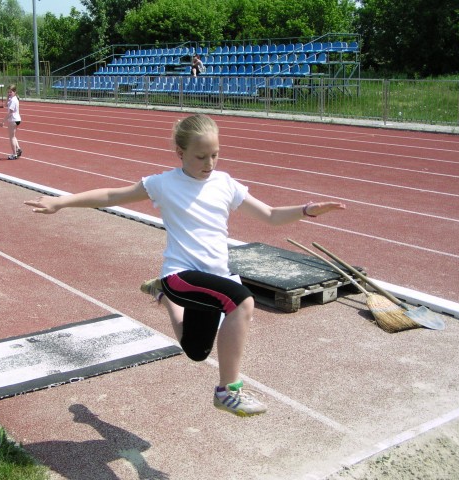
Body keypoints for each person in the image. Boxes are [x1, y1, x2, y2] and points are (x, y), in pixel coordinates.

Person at [24, 114, 345, 417]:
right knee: (242, 301)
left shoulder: (225, 184)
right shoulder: (164, 184)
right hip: (181, 274)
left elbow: (271, 215)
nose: (209, 164)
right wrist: (60, 201)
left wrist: (307, 209)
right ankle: (228, 392)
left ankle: (163, 298)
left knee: (196, 351)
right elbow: (111, 195)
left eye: (215, 155)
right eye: (200, 156)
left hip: (212, 278)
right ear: (180, 152)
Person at [0, 84, 22, 159]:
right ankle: (18, 149)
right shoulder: (13, 98)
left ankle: (14, 154)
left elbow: (10, 113)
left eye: (10, 92)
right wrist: (7, 97)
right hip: (17, 119)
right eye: (8, 92)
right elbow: (5, 105)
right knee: (13, 136)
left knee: (11, 137)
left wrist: (3, 121)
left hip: (13, 120)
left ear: (15, 92)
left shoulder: (13, 101)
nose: (9, 93)